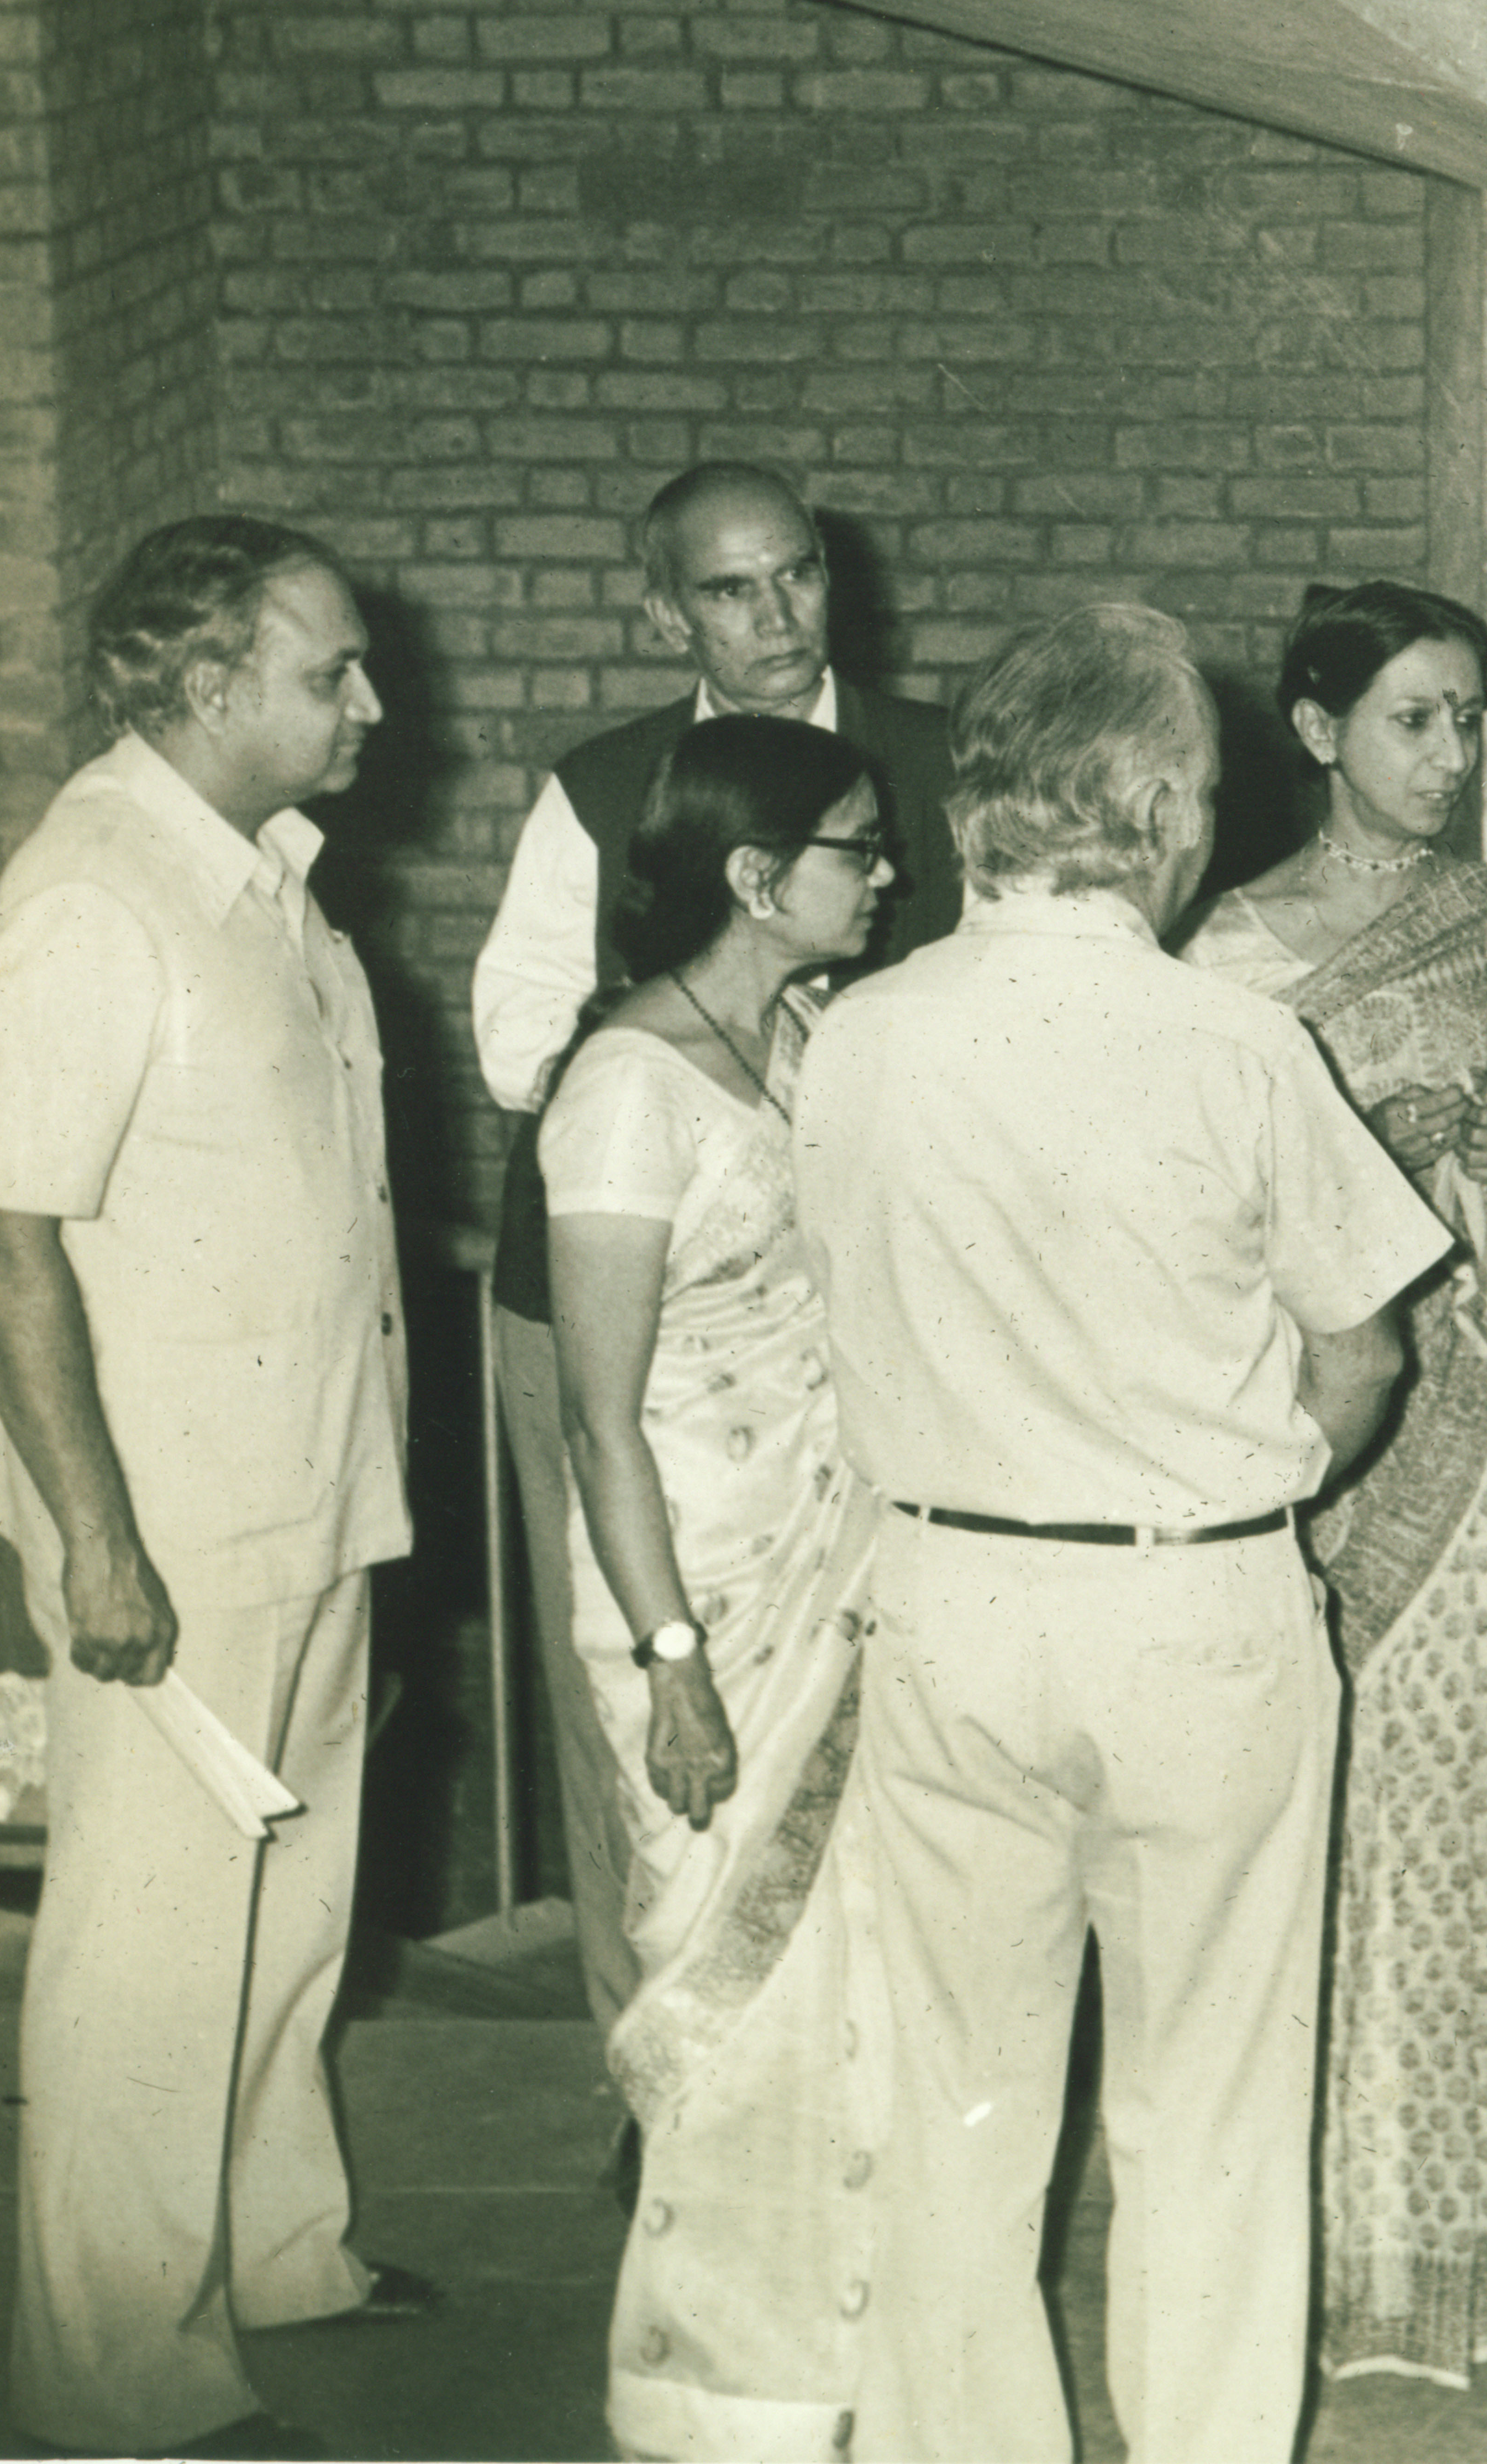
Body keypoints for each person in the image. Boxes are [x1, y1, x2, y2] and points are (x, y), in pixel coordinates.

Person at [795, 603, 1453, 2463]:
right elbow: (1366, 1343)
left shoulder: (856, 1039)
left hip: (940, 1596)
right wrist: (1260, 1481)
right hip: (1195, 1613)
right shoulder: (1233, 1043)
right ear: (1156, 809)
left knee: (955, 2110)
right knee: (1213, 2111)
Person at [0, 517, 429, 2458]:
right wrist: (94, 1539)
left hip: (308, 1479)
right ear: (210, 685)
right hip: (166, 1518)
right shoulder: (96, 894)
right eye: (332, 672)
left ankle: (275, 2246)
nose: (372, 702)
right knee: (152, 1940)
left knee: (290, 1894)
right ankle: (114, 2375)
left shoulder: (259, 878)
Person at [1182, 580, 1487, 2385]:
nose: (1452, 755)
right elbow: (1190, 1225)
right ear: (1317, 733)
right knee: (1348, 1845)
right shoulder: (1224, 959)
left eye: (1470, 718)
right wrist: (1374, 1156)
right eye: (1412, 718)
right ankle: (1336, 2263)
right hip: (1332, 1479)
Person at [471, 461, 959, 2031]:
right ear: (664, 608)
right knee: (651, 1723)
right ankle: (665, 2052)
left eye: (797, 576)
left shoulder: (935, 759)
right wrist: (694, 1108)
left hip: (862, 1304)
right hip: (639, 1291)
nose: (774, 614)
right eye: (730, 590)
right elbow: (517, 1037)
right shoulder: (602, 783)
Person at [541, 714, 894, 2459]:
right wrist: (676, 1661)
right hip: (699, 1587)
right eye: (856, 846)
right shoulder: (621, 1088)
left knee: (851, 1995)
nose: (885, 872)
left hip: (842, 1563)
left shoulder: (810, 1034)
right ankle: (704, 2409)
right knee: (727, 1984)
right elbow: (598, 1422)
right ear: (759, 877)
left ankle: (837, 2372)